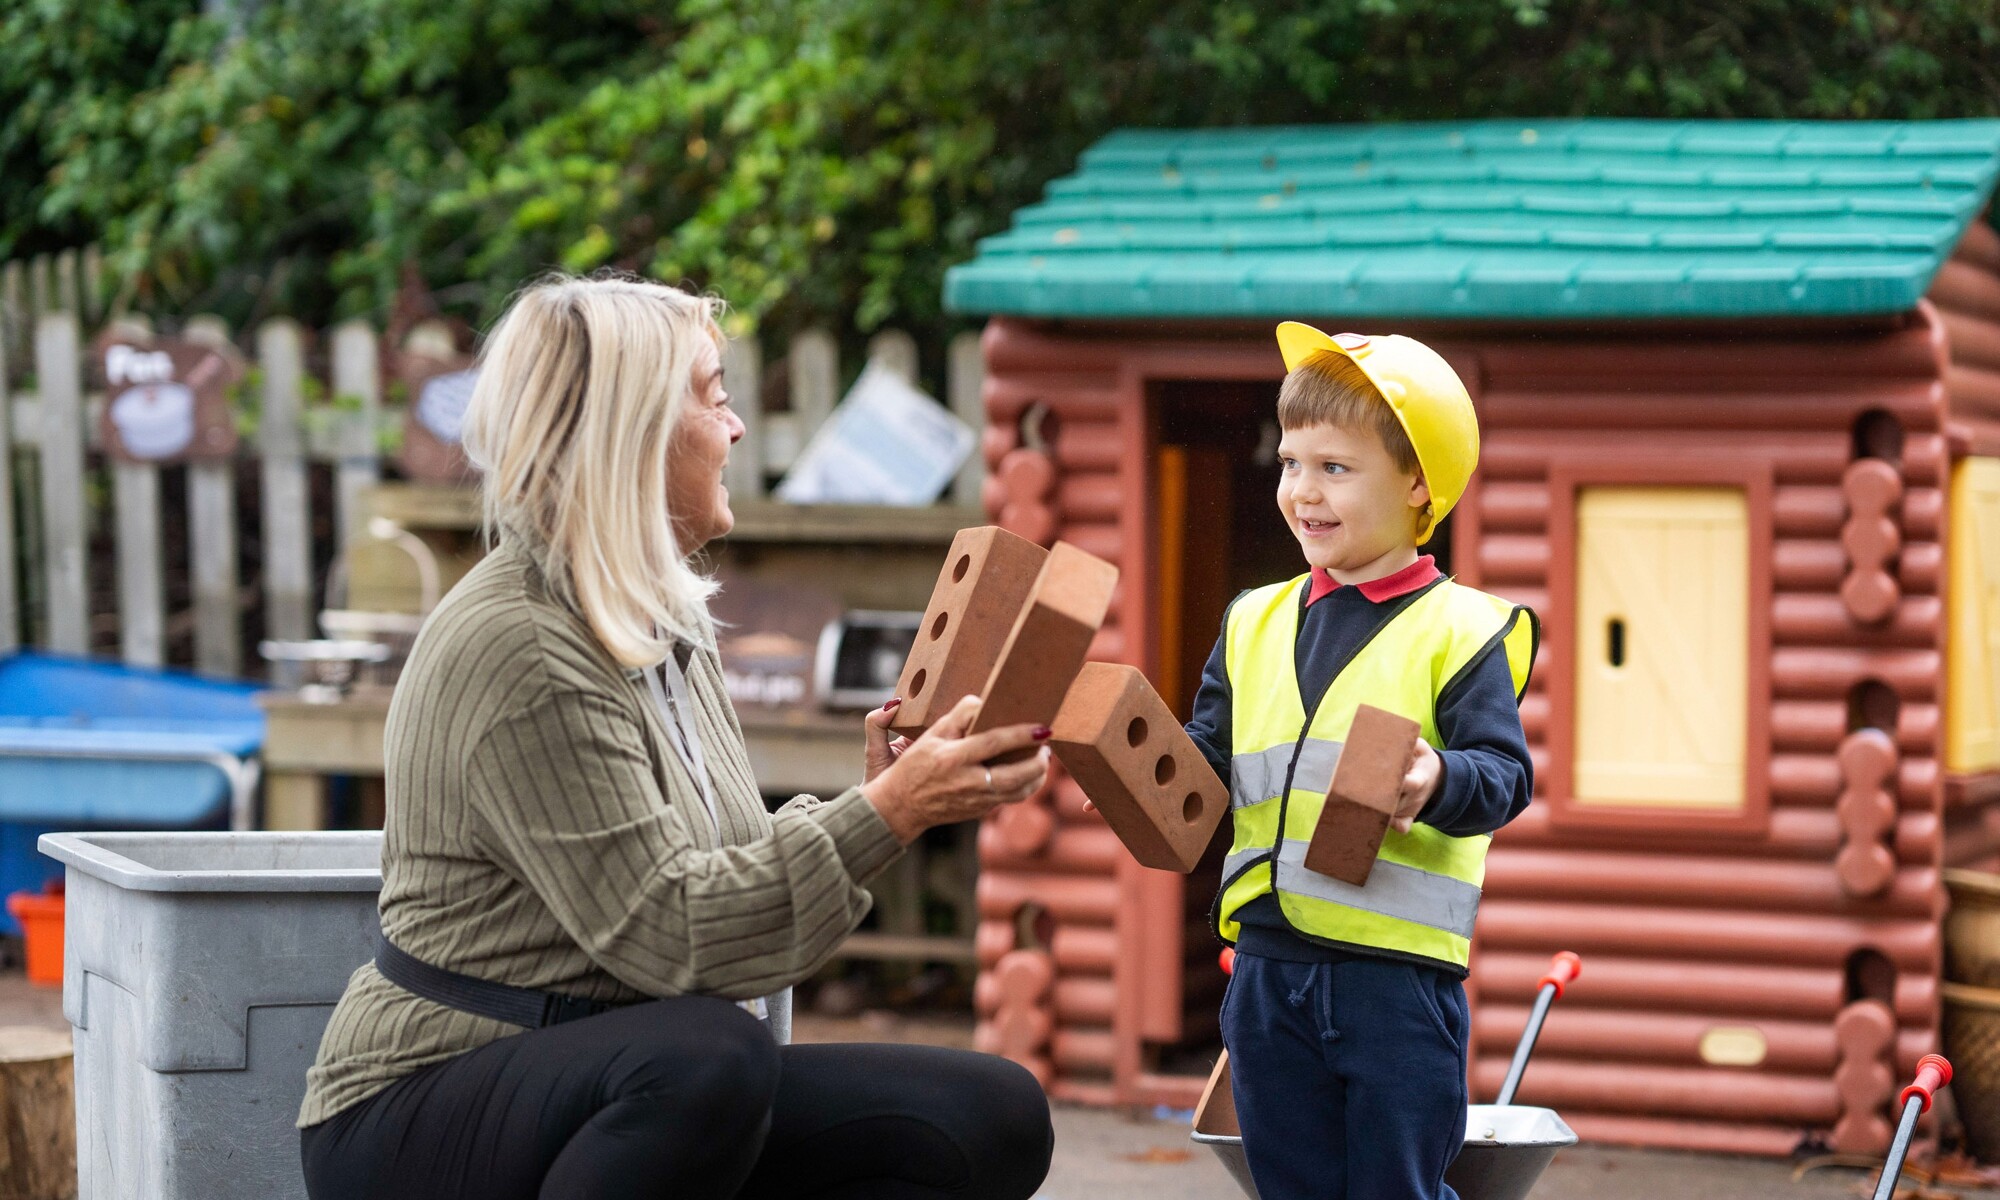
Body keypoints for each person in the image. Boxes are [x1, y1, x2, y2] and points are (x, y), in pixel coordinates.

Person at [297, 274, 1056, 1200]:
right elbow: (670, 933)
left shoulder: (654, 622)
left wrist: (877, 800)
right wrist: (888, 816)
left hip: (613, 1080)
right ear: (635, 431)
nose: (736, 428)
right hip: (428, 1106)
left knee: (991, 1116)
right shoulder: (524, 646)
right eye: (715, 396)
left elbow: (719, 876)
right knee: (709, 1058)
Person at [1184, 323, 1538, 1200]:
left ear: (1419, 484)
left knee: (1395, 1188)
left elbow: (1505, 773)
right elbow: (1205, 758)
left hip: (1394, 984)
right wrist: (1119, 767)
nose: (1304, 490)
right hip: (1268, 972)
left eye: (1335, 469)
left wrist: (1437, 778)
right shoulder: (1252, 621)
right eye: (1291, 463)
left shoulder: (1460, 630)